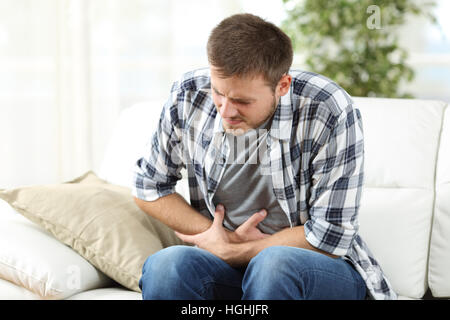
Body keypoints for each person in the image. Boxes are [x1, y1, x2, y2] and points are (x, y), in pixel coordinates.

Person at [132, 13, 397, 300]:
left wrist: (239, 250)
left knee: (273, 265)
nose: (226, 111)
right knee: (166, 265)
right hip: (226, 268)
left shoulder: (328, 108)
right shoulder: (189, 95)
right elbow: (149, 187)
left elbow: (329, 233)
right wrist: (215, 235)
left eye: (243, 101)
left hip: (315, 270)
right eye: (219, 93)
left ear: (282, 85)